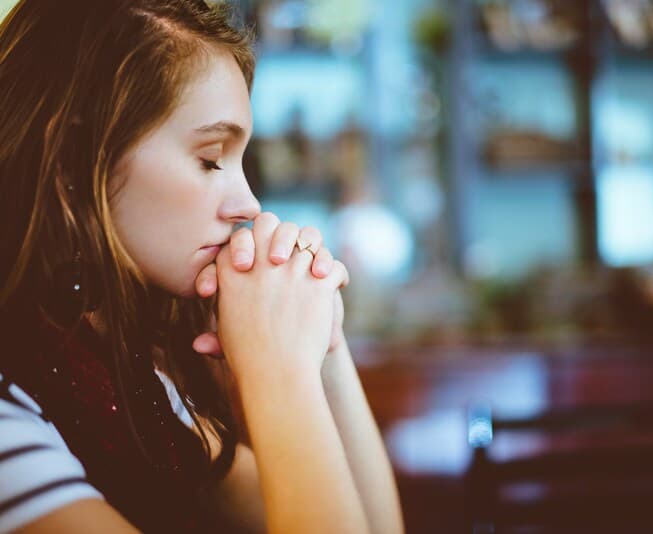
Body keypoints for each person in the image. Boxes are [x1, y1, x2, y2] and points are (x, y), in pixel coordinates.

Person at [0, 0, 404, 532]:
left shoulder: (130, 379)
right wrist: (276, 371)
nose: (250, 205)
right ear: (76, 158)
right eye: (211, 157)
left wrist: (321, 342)